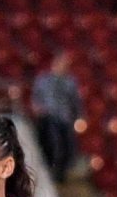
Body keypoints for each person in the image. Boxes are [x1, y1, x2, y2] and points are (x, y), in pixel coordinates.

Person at [30, 51, 81, 181]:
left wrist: (78, 117)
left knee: (67, 146)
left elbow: (75, 101)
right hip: (48, 118)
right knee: (53, 144)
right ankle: (51, 169)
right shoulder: (43, 80)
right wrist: (38, 108)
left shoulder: (71, 82)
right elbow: (36, 98)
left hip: (65, 118)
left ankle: (61, 172)